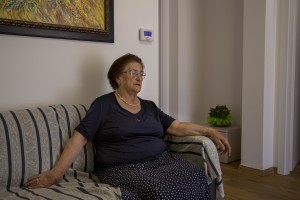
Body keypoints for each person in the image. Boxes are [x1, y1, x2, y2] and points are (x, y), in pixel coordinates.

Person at [25, 53, 231, 199]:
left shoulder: (150, 107)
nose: (139, 77)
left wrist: (209, 130)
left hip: (162, 162)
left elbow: (177, 127)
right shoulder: (103, 105)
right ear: (117, 77)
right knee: (160, 191)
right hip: (122, 168)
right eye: (133, 72)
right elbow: (79, 138)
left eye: (141, 73)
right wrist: (55, 174)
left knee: (195, 175)